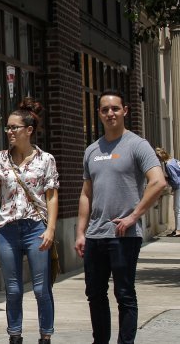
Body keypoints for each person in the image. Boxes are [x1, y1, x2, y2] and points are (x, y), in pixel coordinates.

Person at [74, 89, 166, 344]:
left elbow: (157, 182)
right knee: (94, 293)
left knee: (124, 294)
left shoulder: (137, 145)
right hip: (95, 234)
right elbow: (85, 194)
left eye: (115, 108)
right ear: (99, 114)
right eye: (105, 109)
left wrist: (134, 216)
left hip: (124, 235)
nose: (110, 113)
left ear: (125, 111)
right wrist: (80, 232)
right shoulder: (92, 150)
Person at [0, 98, 59, 344]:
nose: (9, 132)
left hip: (36, 227)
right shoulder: (2, 158)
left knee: (40, 288)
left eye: (14, 127)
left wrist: (50, 229)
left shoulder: (46, 159)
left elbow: (52, 196)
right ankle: (14, 336)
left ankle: (45, 336)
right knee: (13, 289)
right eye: (7, 127)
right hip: (8, 229)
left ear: (29, 130)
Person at [157, 147, 180, 237]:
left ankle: (178, 230)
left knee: (177, 209)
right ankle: (177, 228)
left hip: (178, 187)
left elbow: (176, 180)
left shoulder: (168, 165)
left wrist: (166, 178)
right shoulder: (173, 160)